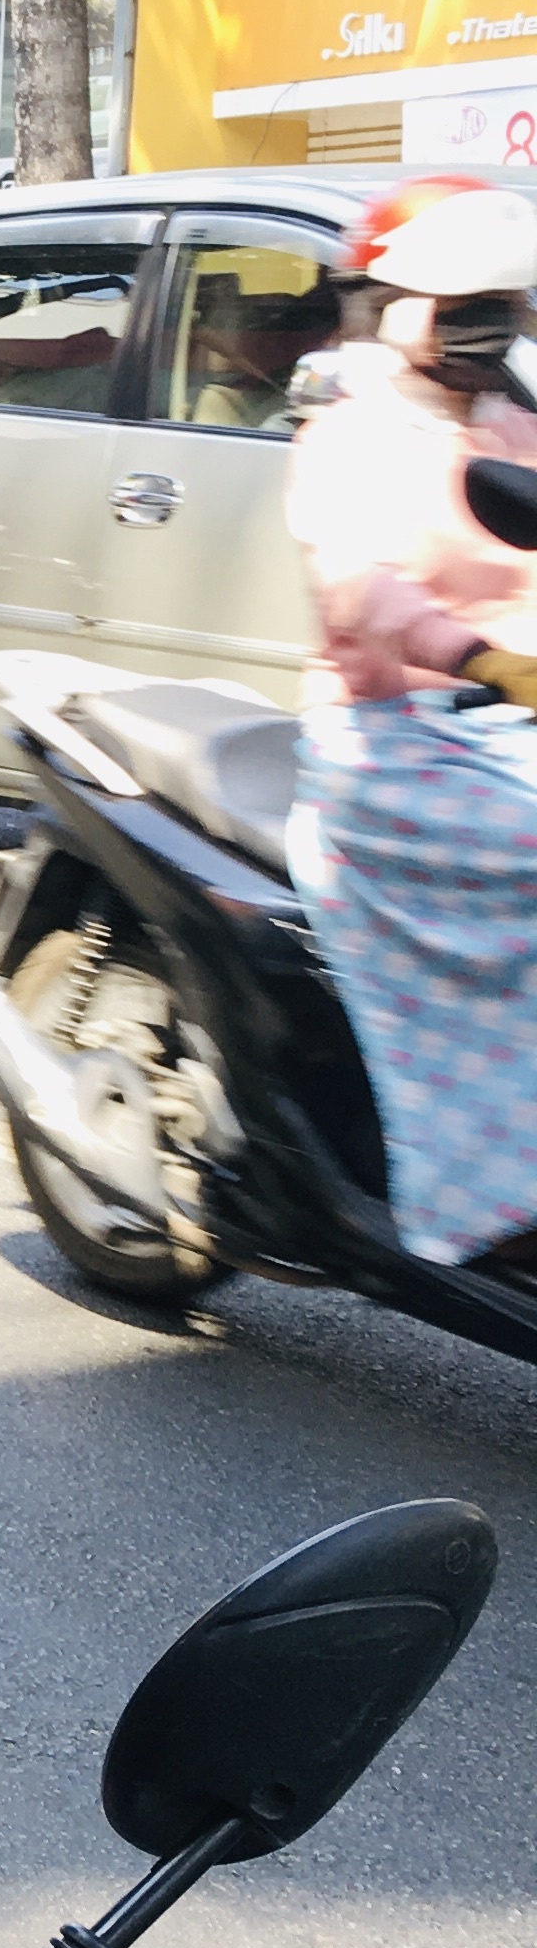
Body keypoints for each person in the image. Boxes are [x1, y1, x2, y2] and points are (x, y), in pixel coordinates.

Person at [287, 175, 537, 1267]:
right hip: (393, 738)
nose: (490, 327)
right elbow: (360, 595)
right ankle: (487, 1183)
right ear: (392, 306)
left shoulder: (514, 424)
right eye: (464, 304)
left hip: (508, 726)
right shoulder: (348, 440)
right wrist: (483, 657)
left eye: (503, 305)